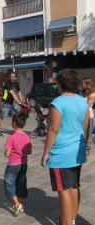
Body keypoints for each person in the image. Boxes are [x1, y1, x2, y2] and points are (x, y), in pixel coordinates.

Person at [41, 69, 89, 225]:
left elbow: (53, 130)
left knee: (64, 190)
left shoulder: (57, 103)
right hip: (77, 151)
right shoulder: (83, 101)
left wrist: (45, 153)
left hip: (61, 153)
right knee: (74, 185)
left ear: (60, 84)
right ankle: (73, 219)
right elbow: (85, 128)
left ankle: (66, 223)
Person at [3, 112, 32, 216]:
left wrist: (6, 152)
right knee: (21, 184)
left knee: (9, 183)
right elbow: (29, 151)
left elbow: (7, 154)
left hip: (13, 165)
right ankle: (21, 205)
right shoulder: (27, 137)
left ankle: (16, 204)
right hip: (24, 164)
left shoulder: (12, 138)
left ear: (13, 123)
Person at [0, 72, 23, 137]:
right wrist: (18, 101)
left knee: (15, 116)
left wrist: (22, 101)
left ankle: (16, 130)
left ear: (16, 78)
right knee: (1, 116)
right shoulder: (7, 83)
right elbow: (12, 93)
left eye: (13, 77)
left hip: (12, 103)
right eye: (11, 77)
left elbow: (19, 91)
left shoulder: (16, 84)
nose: (11, 78)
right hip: (5, 102)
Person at [81, 77, 95, 155]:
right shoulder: (82, 92)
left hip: (89, 116)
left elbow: (87, 105)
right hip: (81, 115)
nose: (82, 85)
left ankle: (87, 148)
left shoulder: (92, 94)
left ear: (87, 84)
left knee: (88, 132)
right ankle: (82, 146)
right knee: (82, 131)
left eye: (83, 83)